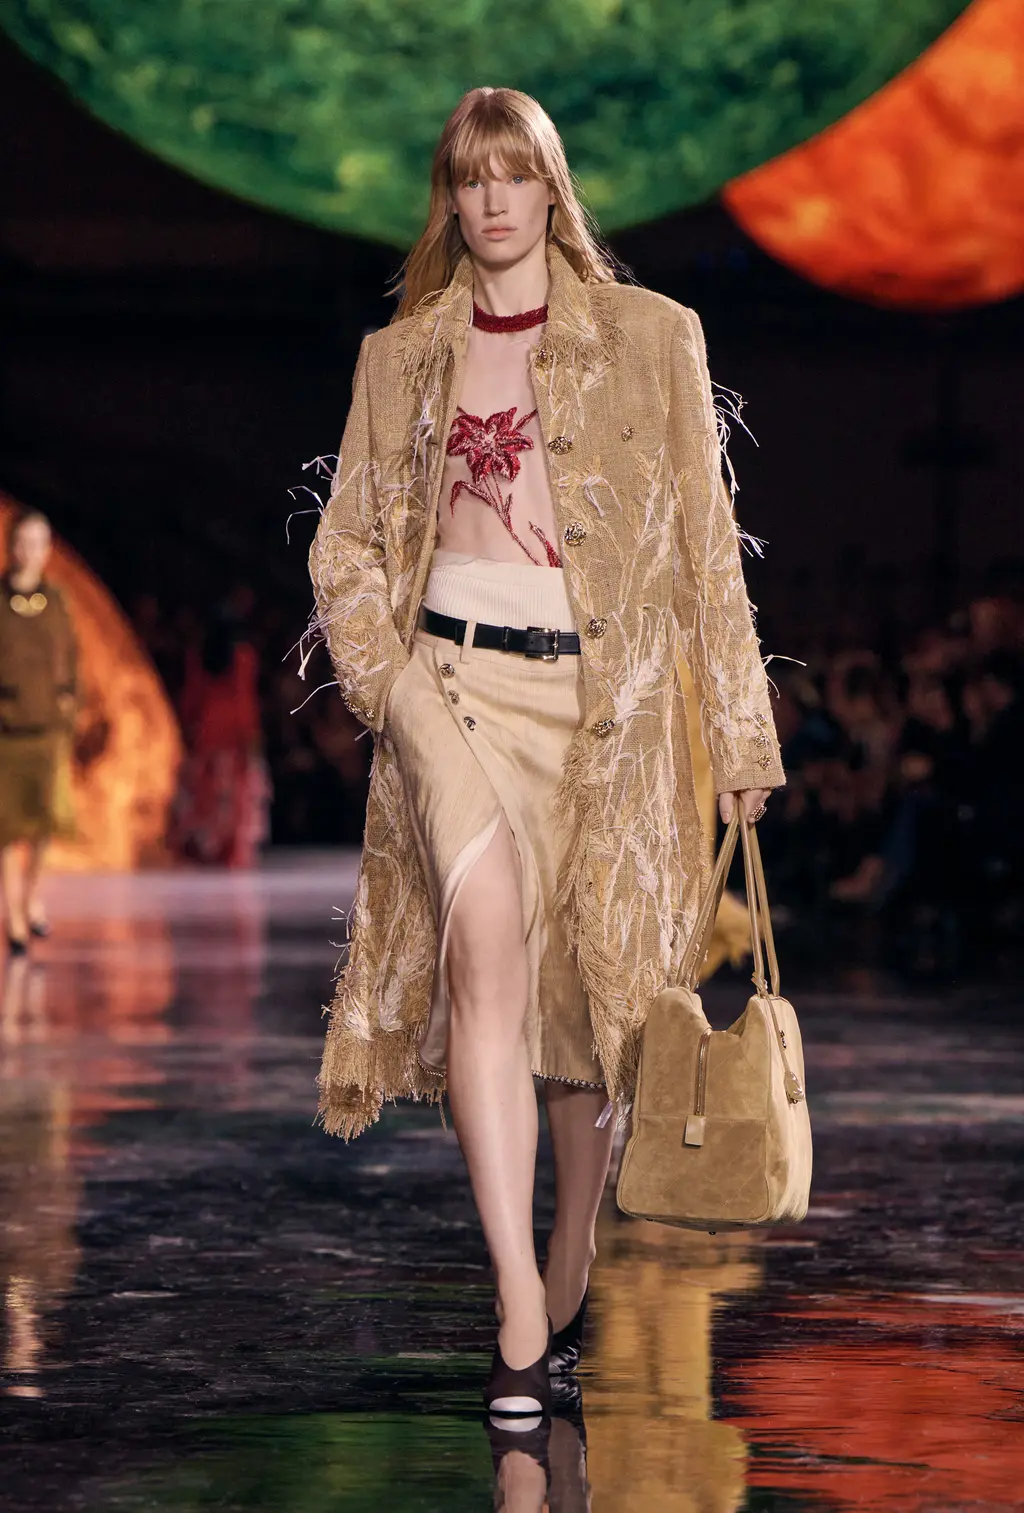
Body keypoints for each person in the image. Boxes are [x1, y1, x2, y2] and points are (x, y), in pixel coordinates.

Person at [308, 87, 784, 1415]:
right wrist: (391, 686)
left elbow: (705, 548)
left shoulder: (651, 338)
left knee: (583, 1009)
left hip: (601, 712)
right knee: (486, 960)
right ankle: (518, 1294)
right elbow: (344, 542)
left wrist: (740, 729)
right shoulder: (400, 357)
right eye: (470, 179)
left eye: (514, 174)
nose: (493, 200)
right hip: (448, 691)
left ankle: (570, 1245)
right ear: (449, 199)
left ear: (551, 188)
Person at [0, 512, 77, 953]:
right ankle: (13, 914)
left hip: (47, 729)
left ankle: (31, 899)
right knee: (7, 828)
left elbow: (71, 659)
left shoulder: (56, 601)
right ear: (11, 545)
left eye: (38, 542)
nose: (29, 551)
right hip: (6, 731)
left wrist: (67, 706)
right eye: (23, 541)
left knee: (45, 823)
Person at [170, 602, 269, 868]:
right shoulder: (243, 656)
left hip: (206, 730)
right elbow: (245, 700)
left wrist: (188, 727)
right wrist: (252, 737)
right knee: (234, 793)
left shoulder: (198, 656)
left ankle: (208, 847)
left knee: (208, 792)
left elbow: (191, 697)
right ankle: (230, 850)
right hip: (234, 731)